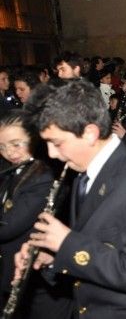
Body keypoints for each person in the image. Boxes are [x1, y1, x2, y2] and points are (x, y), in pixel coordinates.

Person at [13, 81, 126, 318]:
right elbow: (94, 240)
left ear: (90, 133)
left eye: (56, 143)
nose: (52, 154)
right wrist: (53, 256)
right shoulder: (83, 170)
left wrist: (67, 244)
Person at [0, 110, 72, 318]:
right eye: (2, 147)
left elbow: (9, 226)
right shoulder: (15, 168)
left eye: (16, 144)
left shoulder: (44, 175)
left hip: (40, 281)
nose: (9, 152)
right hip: (13, 269)